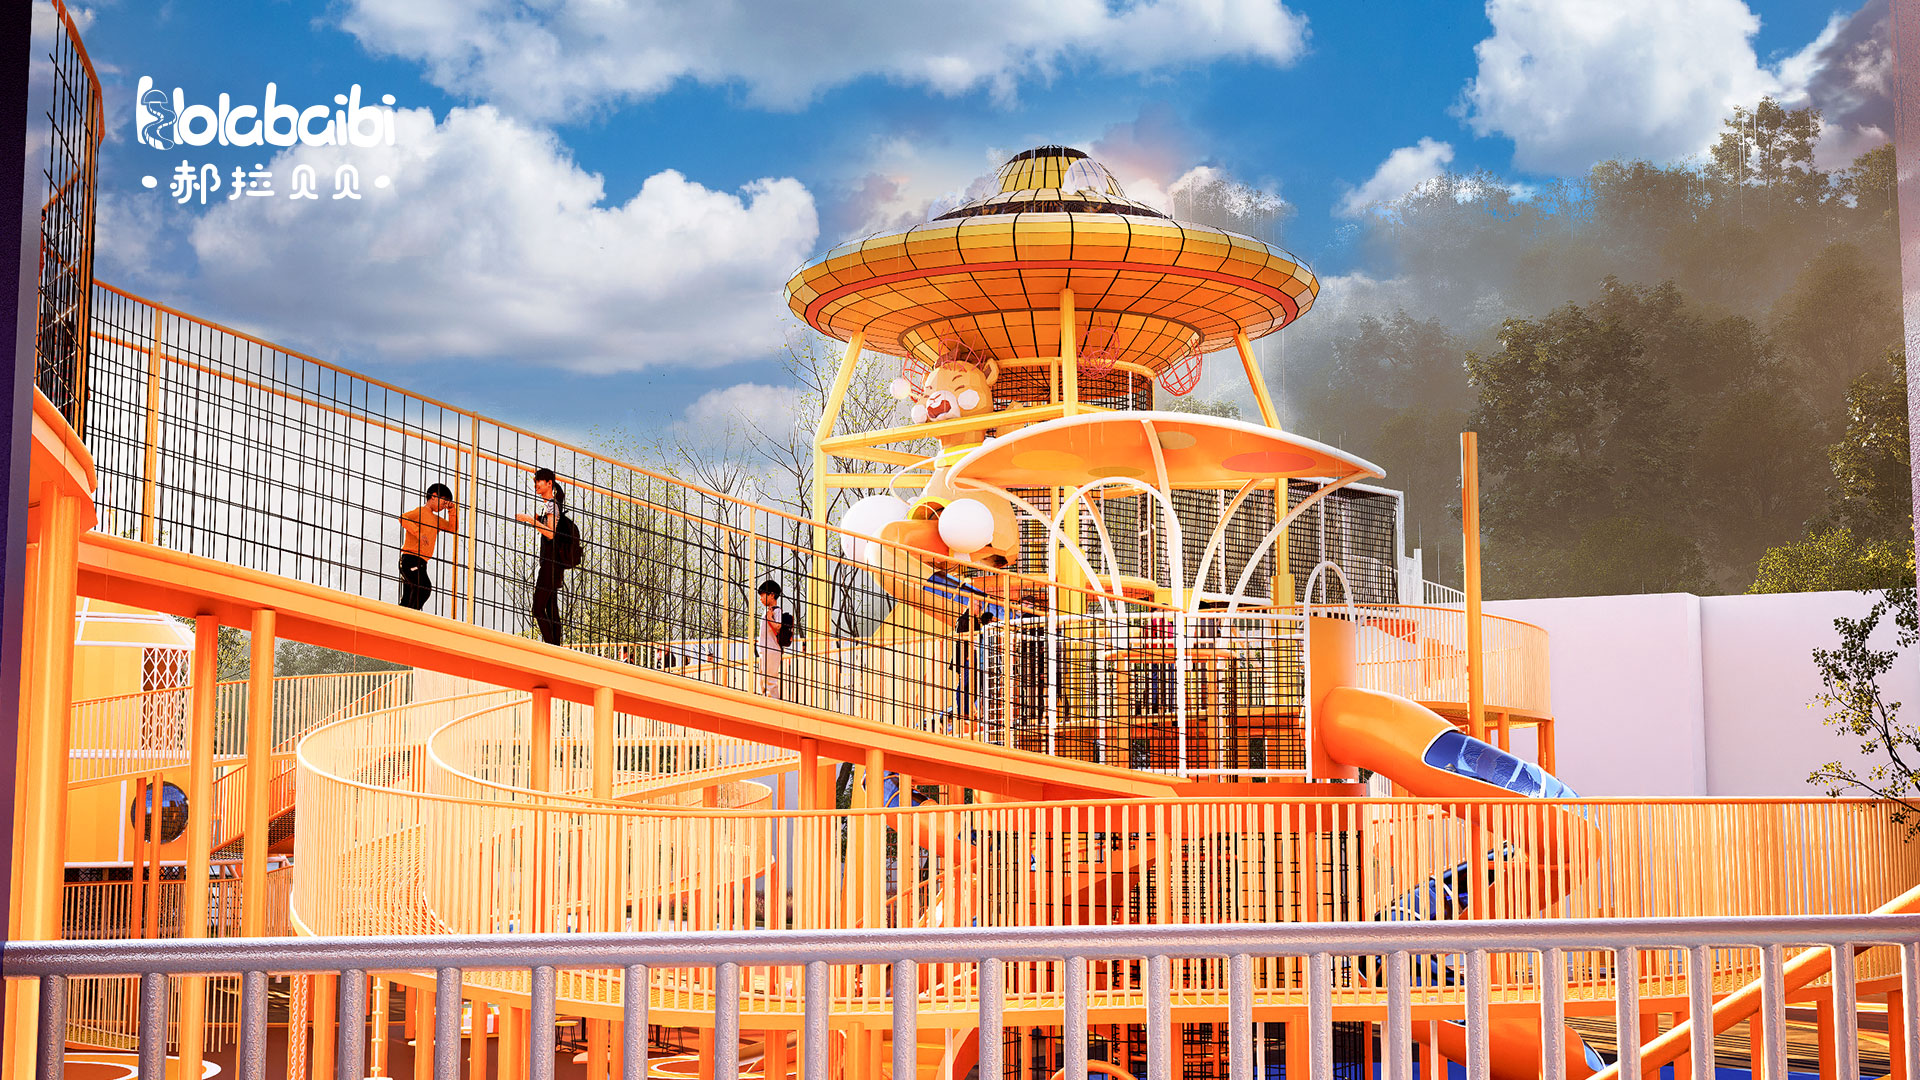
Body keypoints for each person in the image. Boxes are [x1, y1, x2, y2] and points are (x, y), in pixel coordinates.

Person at [514, 468, 567, 645]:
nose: (536, 485)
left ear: (549, 483)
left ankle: (552, 646)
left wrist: (529, 519)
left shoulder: (552, 504)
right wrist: (538, 519)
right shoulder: (551, 505)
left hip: (550, 564)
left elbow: (550, 533)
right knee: (551, 608)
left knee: (538, 609)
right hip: (553, 564)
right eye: (535, 481)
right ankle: (555, 646)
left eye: (539, 481)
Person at [397, 482, 457, 610]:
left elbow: (453, 528)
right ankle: (412, 614)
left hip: (422, 562)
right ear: (434, 496)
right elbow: (403, 518)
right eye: (444, 501)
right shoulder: (420, 511)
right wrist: (418, 533)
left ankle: (405, 614)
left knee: (410, 593)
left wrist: (451, 510)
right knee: (423, 588)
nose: (444, 506)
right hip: (410, 559)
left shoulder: (436, 520)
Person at [756, 579, 789, 699]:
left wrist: (770, 617)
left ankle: (773, 704)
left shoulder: (776, 610)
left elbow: (778, 627)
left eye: (762, 595)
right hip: (765, 649)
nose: (761, 599)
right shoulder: (768, 610)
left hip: (771, 649)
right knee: (763, 680)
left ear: (772, 595)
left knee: (770, 680)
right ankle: (766, 702)